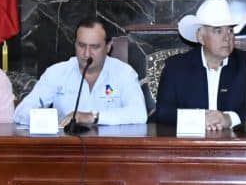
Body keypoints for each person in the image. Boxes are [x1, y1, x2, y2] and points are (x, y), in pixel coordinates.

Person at [154, 0, 246, 130]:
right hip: (190, 146)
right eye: (218, 31)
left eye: (230, 31)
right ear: (200, 37)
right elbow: (163, 113)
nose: (227, 38)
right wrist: (199, 119)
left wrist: (228, 118)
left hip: (235, 146)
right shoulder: (175, 67)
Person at [13, 17, 147, 127]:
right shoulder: (57, 73)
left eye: (94, 47)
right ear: (75, 44)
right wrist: (53, 121)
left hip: (111, 152)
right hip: (67, 150)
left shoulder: (124, 73)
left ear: (108, 47)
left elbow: (139, 114)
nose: (86, 54)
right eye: (81, 45)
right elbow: (21, 113)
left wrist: (92, 117)